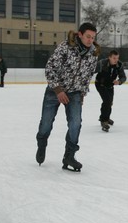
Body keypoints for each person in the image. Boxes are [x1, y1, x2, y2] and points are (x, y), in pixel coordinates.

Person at [35, 23, 100, 171]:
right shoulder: (65, 47)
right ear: (80, 35)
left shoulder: (93, 53)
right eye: (88, 36)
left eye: (93, 37)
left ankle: (69, 156)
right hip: (54, 90)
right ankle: (42, 143)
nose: (90, 40)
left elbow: (88, 75)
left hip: (75, 92)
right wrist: (58, 90)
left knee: (76, 123)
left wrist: (82, 93)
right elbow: (50, 67)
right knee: (46, 123)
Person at [95, 50, 127, 132]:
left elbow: (123, 77)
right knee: (107, 101)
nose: (116, 60)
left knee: (110, 102)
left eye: (117, 58)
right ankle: (103, 120)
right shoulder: (102, 63)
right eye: (114, 58)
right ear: (109, 57)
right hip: (100, 84)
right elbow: (91, 70)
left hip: (110, 86)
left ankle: (106, 117)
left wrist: (119, 81)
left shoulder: (119, 65)